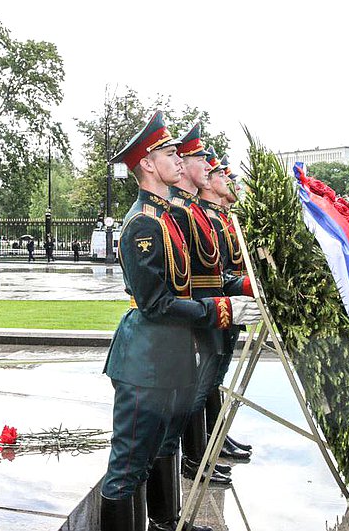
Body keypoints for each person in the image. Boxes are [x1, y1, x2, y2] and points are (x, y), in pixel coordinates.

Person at [99, 111, 261, 531]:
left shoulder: (169, 217)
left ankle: (168, 524)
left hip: (172, 354)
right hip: (145, 358)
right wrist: (219, 310)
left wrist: (231, 294)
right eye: (168, 152)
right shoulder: (142, 224)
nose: (177, 157)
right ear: (148, 164)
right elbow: (156, 303)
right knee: (128, 467)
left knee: (166, 446)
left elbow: (196, 281)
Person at [167, 124, 252, 488]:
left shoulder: (202, 212)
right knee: (198, 389)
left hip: (219, 306)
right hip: (204, 311)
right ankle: (195, 457)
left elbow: (219, 269)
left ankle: (208, 447)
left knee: (210, 383)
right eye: (201, 160)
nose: (210, 169)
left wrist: (245, 288)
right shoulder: (184, 211)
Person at [197, 149, 255, 463]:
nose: (227, 181)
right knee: (208, 377)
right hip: (216, 304)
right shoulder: (205, 217)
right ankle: (206, 445)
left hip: (229, 303)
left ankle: (216, 437)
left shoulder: (222, 217)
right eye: (221, 175)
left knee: (216, 375)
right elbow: (214, 273)